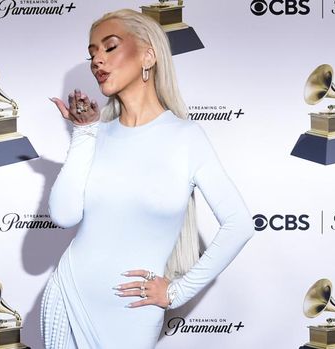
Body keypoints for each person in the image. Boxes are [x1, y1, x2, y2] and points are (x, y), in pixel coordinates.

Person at [41, 8, 255, 349]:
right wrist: (83, 134)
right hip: (70, 298)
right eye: (92, 53)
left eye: (110, 47)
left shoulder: (186, 137)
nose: (97, 60)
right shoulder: (96, 135)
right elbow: (64, 215)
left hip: (134, 312)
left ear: (148, 55)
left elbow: (240, 224)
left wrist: (176, 291)